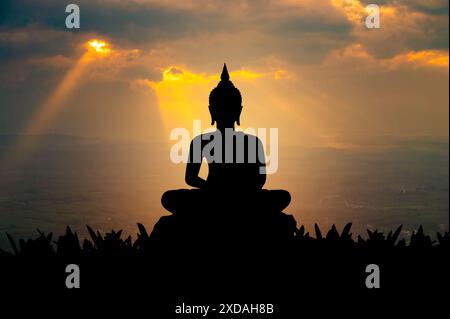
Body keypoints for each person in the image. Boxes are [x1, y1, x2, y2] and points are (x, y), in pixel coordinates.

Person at [161, 64, 290, 215]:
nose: (225, 114)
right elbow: (190, 178)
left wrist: (239, 191)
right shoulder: (201, 141)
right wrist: (211, 187)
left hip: (238, 197)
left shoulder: (253, 142)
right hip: (214, 194)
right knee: (168, 197)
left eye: (229, 109)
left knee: (283, 196)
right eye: (221, 109)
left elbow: (260, 180)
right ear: (212, 111)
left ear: (238, 111)